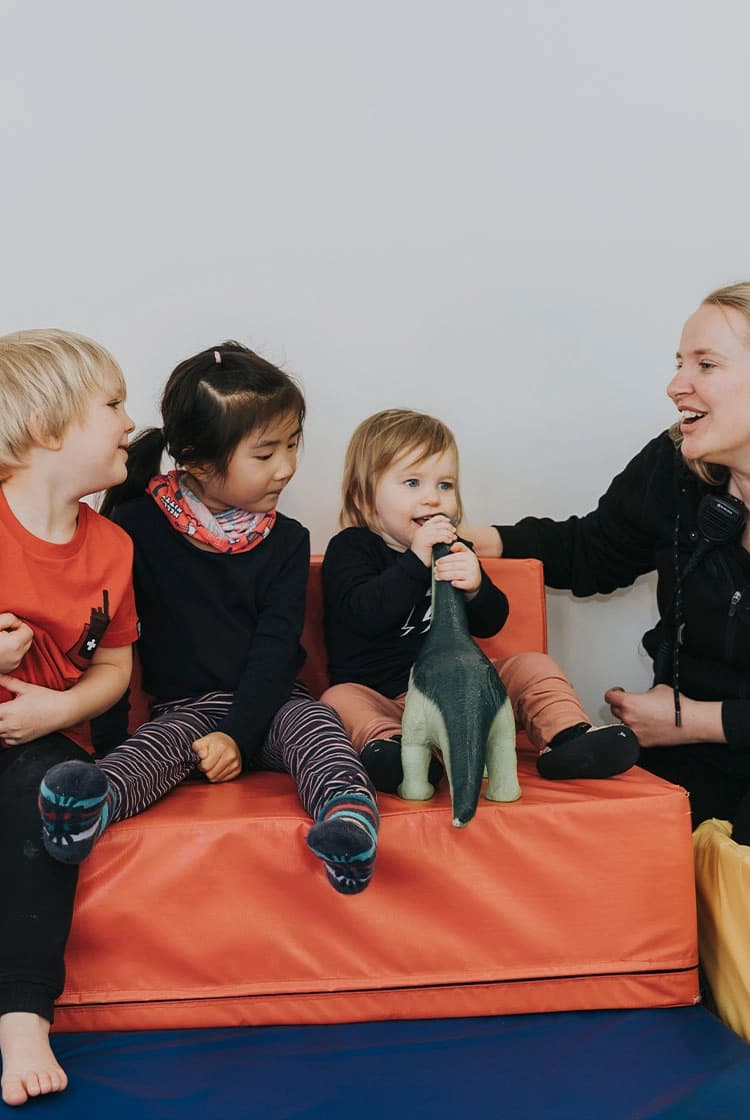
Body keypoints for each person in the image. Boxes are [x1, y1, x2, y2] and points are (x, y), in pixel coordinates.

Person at [39, 341, 379, 897]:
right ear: (197, 460)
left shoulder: (287, 541)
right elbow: (115, 644)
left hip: (272, 703)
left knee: (319, 728)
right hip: (186, 711)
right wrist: (104, 743)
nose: (288, 468)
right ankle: (91, 807)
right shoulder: (134, 529)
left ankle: (348, 822)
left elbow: (274, 648)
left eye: (293, 446)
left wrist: (238, 737)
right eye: (266, 454)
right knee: (152, 749)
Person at [463, 281, 750, 841]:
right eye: (678, 363)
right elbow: (593, 552)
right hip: (688, 751)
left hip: (697, 731)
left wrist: (696, 721)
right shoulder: (674, 466)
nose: (676, 385)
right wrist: (484, 541)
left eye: (706, 364)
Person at [320, 408, 638, 794]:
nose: (432, 498)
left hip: (463, 691)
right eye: (412, 482)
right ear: (364, 497)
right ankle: (399, 755)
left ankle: (568, 736)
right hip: (388, 701)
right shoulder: (351, 549)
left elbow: (492, 621)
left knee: (533, 666)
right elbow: (364, 614)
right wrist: (415, 561)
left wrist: (475, 589)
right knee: (338, 699)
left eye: (445, 485)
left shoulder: (455, 549)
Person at [0, 330, 138, 1107]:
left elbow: (115, 668)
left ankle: (23, 1018)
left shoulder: (112, 547)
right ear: (49, 430)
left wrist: (60, 706)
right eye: (113, 404)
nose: (130, 421)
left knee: (43, 794)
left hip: (44, 749)